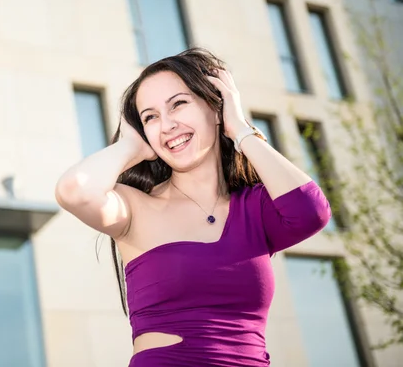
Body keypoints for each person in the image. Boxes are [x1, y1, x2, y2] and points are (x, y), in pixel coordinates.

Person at [55, 48, 331, 367]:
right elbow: (73, 190)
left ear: (216, 108)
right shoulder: (135, 207)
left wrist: (240, 130)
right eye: (150, 117)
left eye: (178, 104)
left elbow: (312, 212)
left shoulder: (254, 207)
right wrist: (129, 146)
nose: (167, 124)